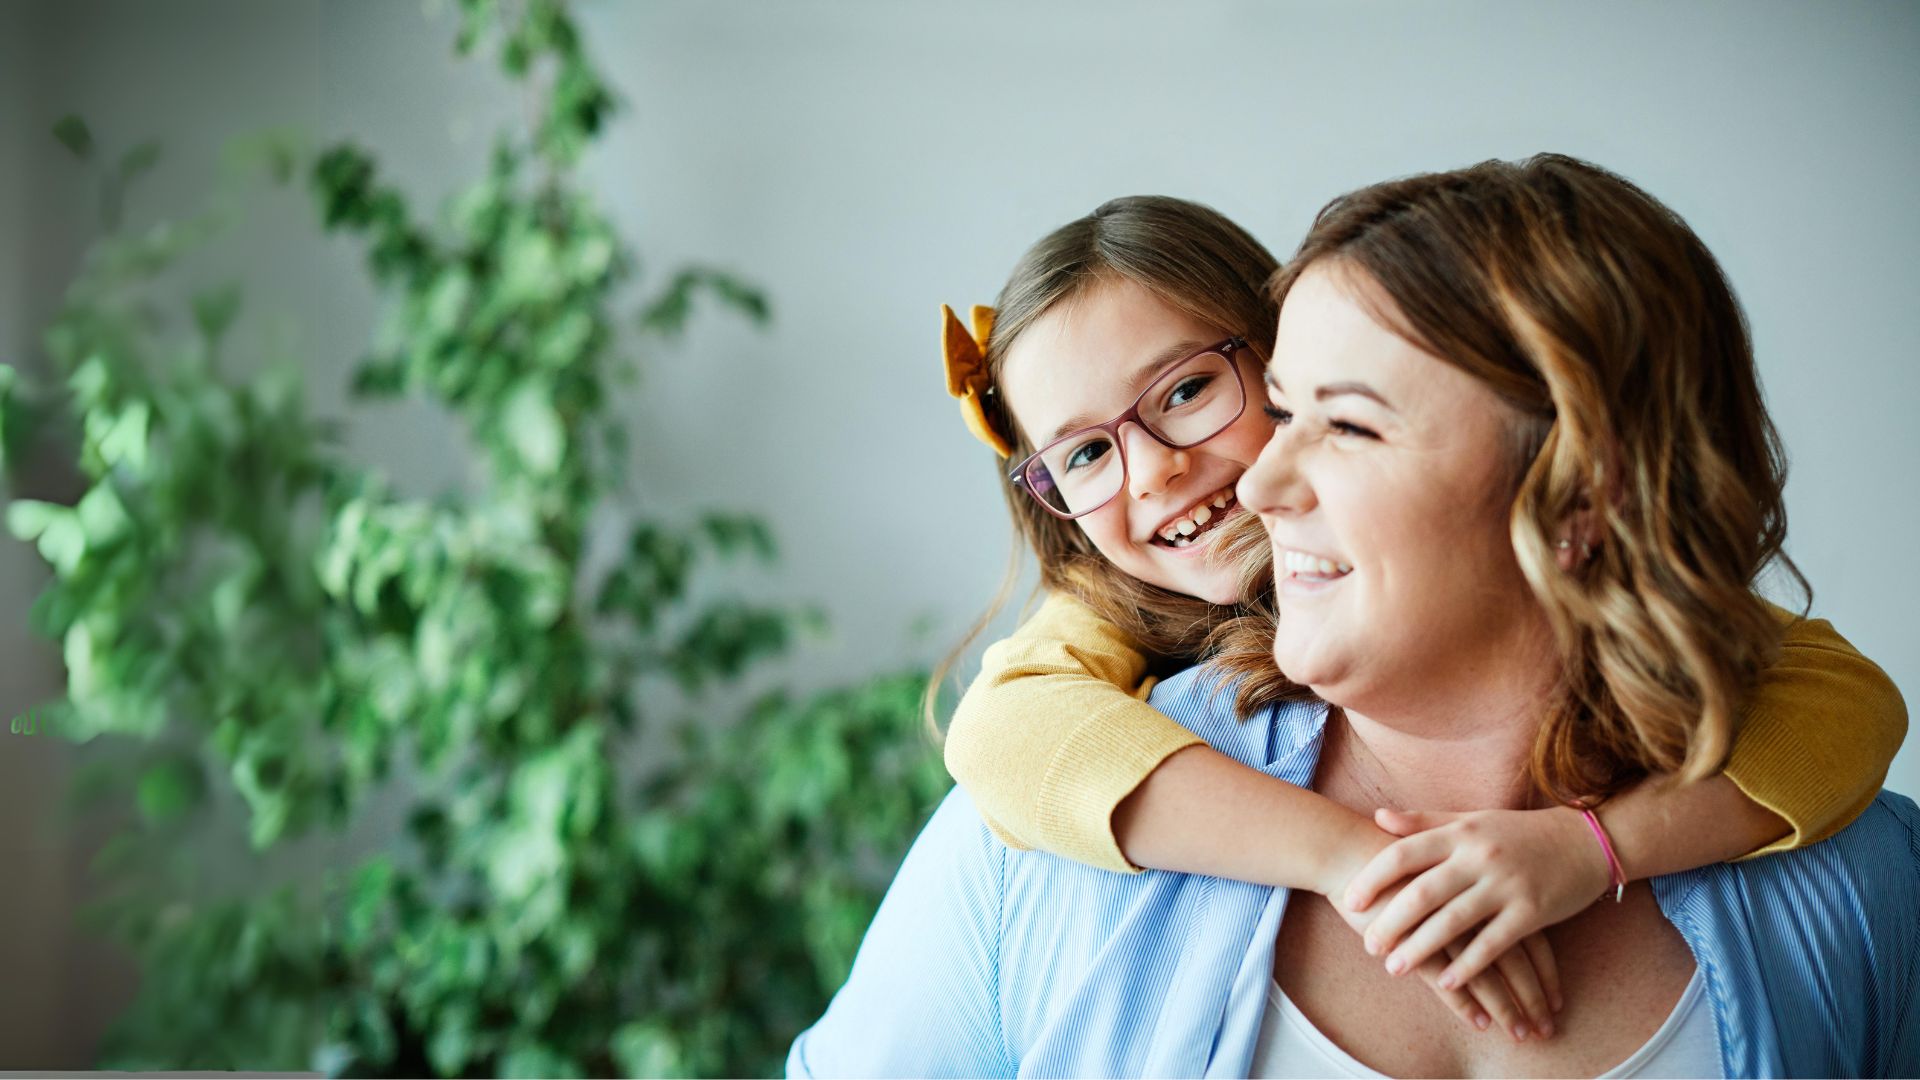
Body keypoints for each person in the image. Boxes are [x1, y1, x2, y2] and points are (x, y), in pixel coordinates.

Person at [790, 156, 1919, 1076]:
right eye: (1083, 454)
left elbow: (1855, 701)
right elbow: (1002, 734)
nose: (1187, 479)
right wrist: (1354, 864)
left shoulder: (1861, 876)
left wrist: (1597, 847)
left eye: (1331, 419)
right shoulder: (1052, 812)